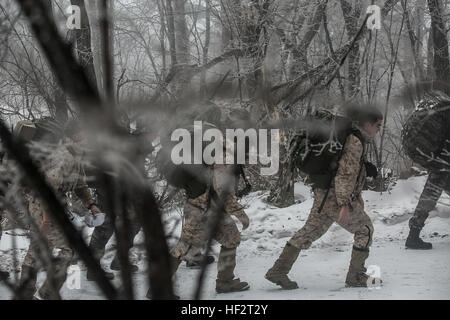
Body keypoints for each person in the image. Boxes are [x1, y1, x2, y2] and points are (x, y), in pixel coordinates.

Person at [265, 104, 383, 289]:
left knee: (309, 232)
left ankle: (278, 271)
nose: (378, 130)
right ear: (367, 124)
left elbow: (346, 169)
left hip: (324, 195)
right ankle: (356, 275)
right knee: (365, 229)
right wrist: (345, 204)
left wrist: (357, 194)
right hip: (335, 197)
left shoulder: (350, 137)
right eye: (377, 126)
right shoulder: (354, 141)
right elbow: (345, 174)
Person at [18, 119, 102, 299]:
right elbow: (49, 187)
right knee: (67, 250)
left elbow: (80, 184)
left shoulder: (75, 154)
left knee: (39, 248)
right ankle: (46, 292)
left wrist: (91, 204)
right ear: (77, 135)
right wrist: (47, 219)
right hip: (44, 205)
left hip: (52, 205)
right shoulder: (63, 154)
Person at [402, 91, 450, 249]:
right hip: (436, 151)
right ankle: (413, 235)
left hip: (421, 148)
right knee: (433, 189)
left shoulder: (442, 109)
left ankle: (414, 233)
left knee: (438, 184)